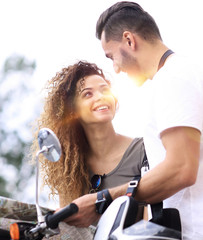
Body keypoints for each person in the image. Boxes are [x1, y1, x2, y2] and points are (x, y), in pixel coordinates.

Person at [95, 1, 203, 239]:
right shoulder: (183, 72)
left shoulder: (173, 77)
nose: (115, 68)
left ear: (129, 40)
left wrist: (107, 198)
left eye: (111, 56)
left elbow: (182, 168)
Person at [31, 60, 147, 227]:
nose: (101, 97)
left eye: (105, 90)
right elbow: (70, 231)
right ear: (73, 110)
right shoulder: (69, 167)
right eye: (88, 94)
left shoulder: (144, 150)